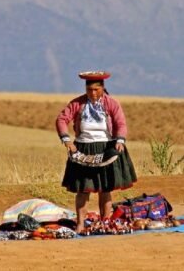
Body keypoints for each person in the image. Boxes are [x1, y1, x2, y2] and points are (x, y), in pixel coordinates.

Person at [56, 71, 137, 233]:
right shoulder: (77, 104)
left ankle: (105, 223)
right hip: (83, 148)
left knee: (105, 188)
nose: (93, 93)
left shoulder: (111, 103)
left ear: (102, 88)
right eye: (89, 90)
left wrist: (120, 140)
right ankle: (80, 224)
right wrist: (66, 140)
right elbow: (61, 119)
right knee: (83, 189)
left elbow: (121, 123)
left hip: (106, 148)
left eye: (96, 90)